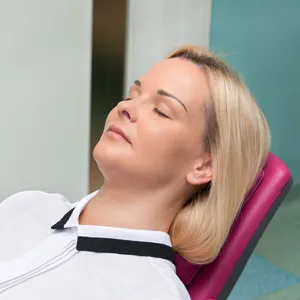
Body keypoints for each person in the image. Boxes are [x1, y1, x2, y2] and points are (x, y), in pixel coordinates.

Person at [0, 45, 270, 300]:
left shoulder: (152, 291)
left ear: (202, 167)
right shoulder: (28, 205)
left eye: (161, 111)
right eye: (131, 95)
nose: (125, 107)